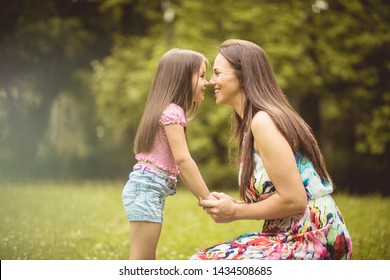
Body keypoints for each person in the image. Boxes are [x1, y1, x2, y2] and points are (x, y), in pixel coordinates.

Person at [192, 39, 352, 260]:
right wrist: (233, 205)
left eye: (218, 73)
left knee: (203, 264)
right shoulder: (253, 125)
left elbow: (295, 200)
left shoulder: (263, 122)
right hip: (290, 233)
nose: (211, 81)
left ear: (243, 76)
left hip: (312, 236)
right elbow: (282, 196)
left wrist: (236, 212)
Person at [122, 48, 214, 260]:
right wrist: (206, 197)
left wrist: (203, 198)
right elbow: (183, 160)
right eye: (201, 76)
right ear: (181, 78)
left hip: (146, 189)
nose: (207, 82)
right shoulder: (173, 111)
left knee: (145, 260)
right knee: (142, 263)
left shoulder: (165, 109)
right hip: (146, 190)